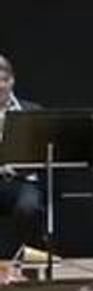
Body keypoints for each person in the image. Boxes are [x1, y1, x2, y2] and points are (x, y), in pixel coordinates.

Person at [0, 54, 45, 267]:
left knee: (29, 208)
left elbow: (44, 151)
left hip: (24, 180)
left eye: (4, 80)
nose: (0, 86)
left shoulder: (32, 111)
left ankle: (28, 265)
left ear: (12, 80)